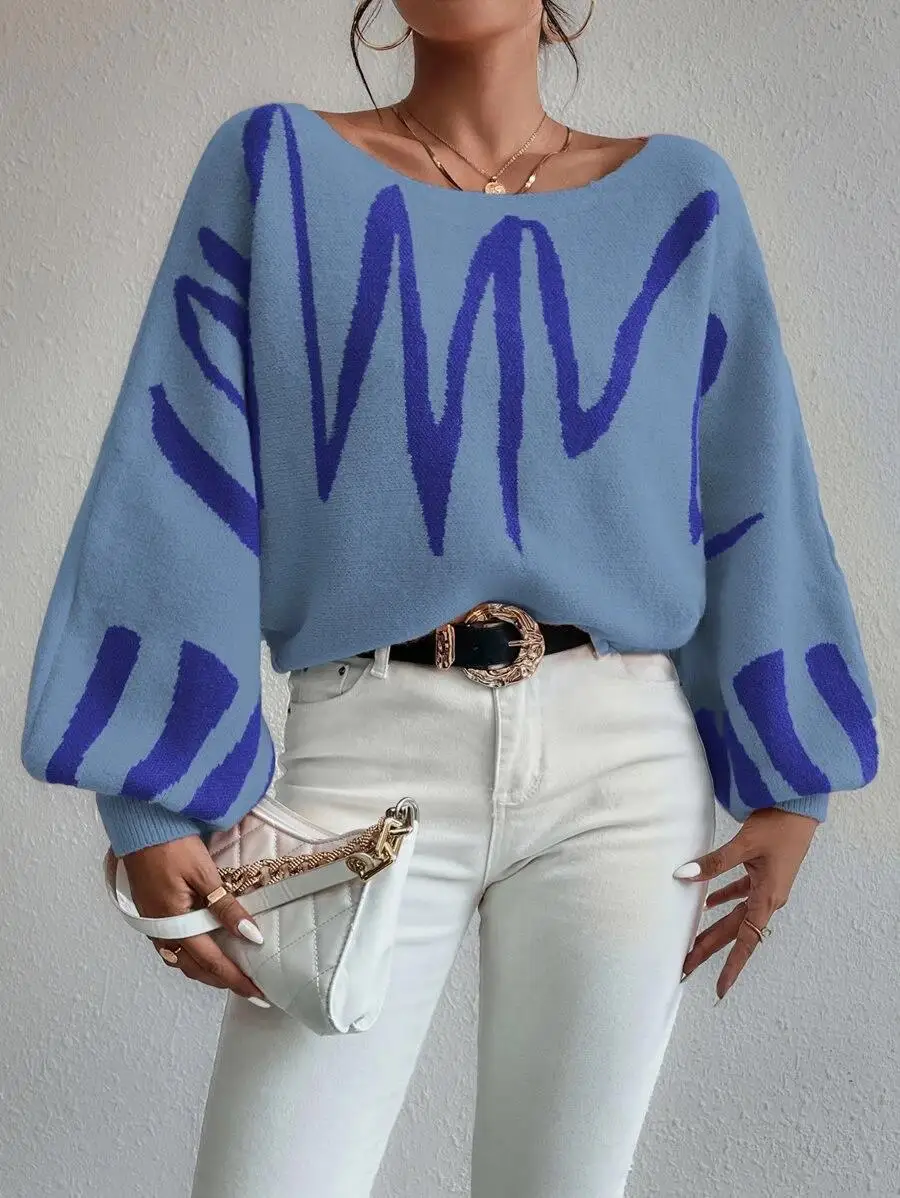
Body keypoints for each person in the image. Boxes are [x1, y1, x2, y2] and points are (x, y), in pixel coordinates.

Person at [19, 2, 880, 1195]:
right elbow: (175, 470)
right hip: (366, 745)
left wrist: (793, 778)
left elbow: (755, 476)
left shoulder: (685, 197)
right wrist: (147, 796)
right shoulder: (274, 168)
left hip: (625, 769)